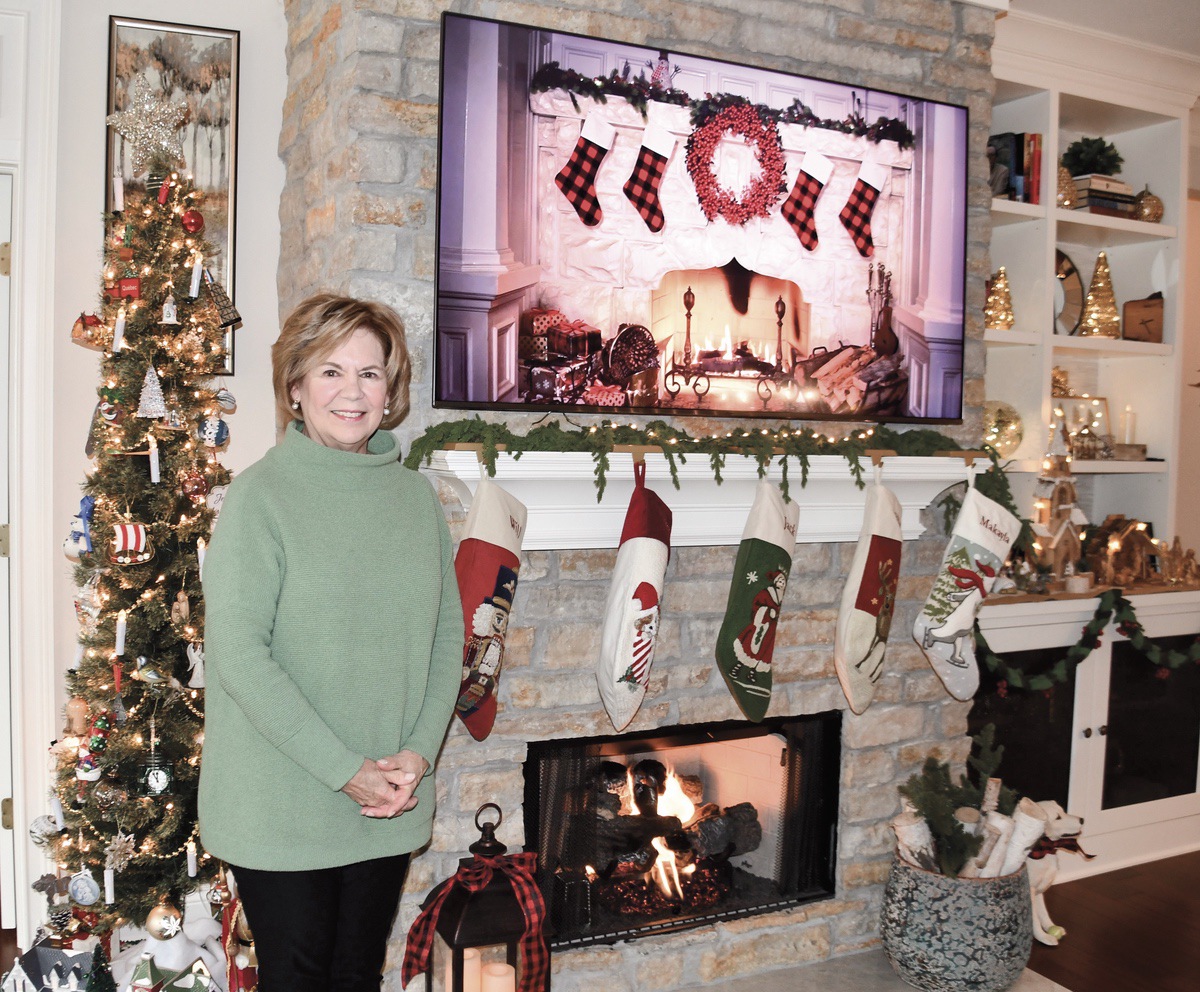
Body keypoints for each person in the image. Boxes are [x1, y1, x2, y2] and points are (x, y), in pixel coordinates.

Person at [198, 294, 463, 992]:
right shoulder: (261, 499)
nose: (353, 392)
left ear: (390, 389)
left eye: (370, 374)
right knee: (301, 978)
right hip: (282, 799)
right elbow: (240, 658)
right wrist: (346, 769)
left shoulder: (414, 502)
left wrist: (418, 753)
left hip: (387, 797)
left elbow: (446, 637)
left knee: (357, 975)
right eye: (330, 372)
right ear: (295, 387)